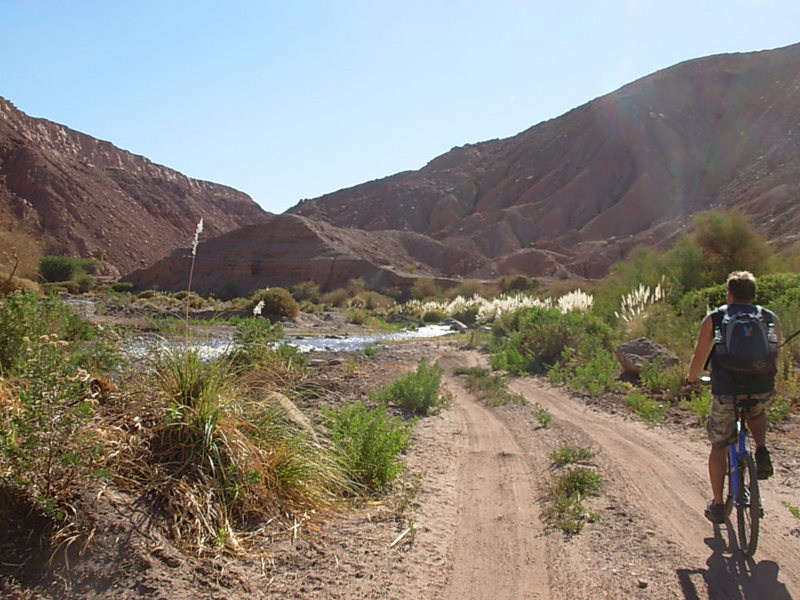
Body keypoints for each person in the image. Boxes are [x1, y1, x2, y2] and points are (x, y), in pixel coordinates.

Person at [686, 271, 779, 524]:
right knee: (757, 411)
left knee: (719, 445)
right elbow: (774, 354)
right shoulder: (768, 317)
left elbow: (698, 356)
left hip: (727, 390)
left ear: (729, 293)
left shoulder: (716, 318)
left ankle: (718, 504)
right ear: (753, 294)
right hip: (761, 386)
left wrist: (693, 379)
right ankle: (760, 450)